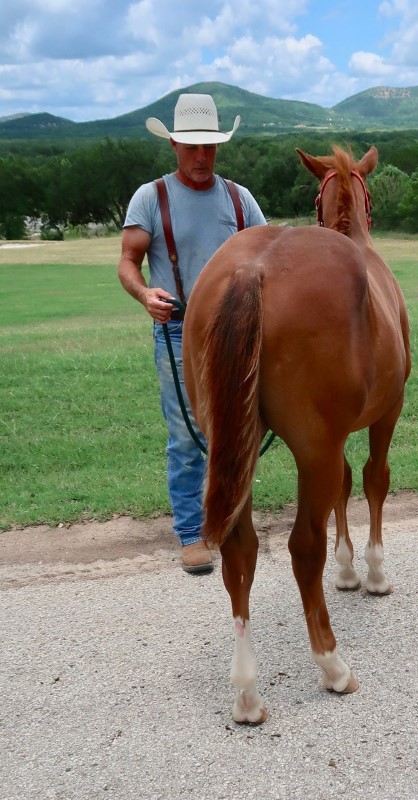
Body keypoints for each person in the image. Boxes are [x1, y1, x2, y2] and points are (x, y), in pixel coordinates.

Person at [118, 94, 267, 575]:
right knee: (187, 434)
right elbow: (127, 262)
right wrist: (145, 296)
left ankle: (228, 519)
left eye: (210, 148)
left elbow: (268, 256)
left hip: (240, 332)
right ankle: (192, 533)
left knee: (240, 427)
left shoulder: (240, 199)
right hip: (179, 330)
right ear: (175, 144)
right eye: (192, 147)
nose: (202, 157)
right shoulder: (151, 197)